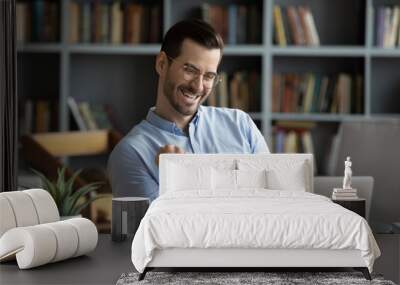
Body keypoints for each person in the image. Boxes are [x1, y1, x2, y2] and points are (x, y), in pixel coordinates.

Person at [108, 19, 269, 201]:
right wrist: (174, 180)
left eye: (209, 76)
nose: (198, 86)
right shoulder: (130, 153)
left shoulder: (241, 125)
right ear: (162, 64)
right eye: (190, 70)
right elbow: (157, 228)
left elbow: (270, 204)